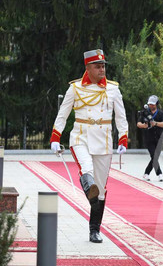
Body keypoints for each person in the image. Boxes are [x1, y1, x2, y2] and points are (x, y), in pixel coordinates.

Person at [50, 49, 128, 243]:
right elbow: (63, 113)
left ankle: (95, 230)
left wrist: (123, 138)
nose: (102, 69)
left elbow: (121, 116)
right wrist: (55, 137)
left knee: (100, 188)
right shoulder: (75, 88)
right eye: (97, 66)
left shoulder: (112, 89)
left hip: (104, 140)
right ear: (88, 67)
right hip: (81, 137)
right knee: (87, 170)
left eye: (103, 66)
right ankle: (90, 192)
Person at [137, 95, 163, 181]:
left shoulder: (161, 113)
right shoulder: (144, 113)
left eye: (153, 104)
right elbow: (138, 123)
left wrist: (156, 123)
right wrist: (144, 125)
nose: (151, 106)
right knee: (154, 156)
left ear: (156, 104)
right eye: (150, 104)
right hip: (148, 138)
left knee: (155, 157)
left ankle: (146, 173)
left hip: (159, 138)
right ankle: (159, 174)